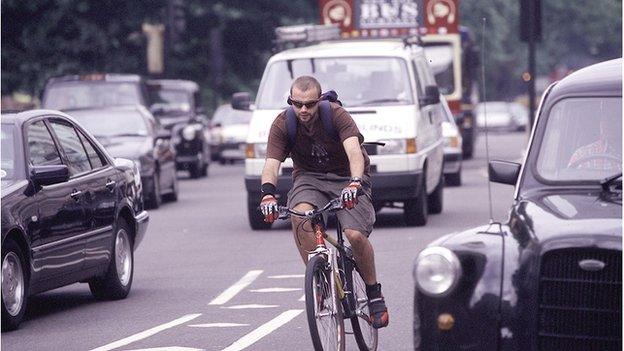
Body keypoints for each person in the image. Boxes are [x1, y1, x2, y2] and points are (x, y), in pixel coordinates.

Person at [259, 76, 389, 329]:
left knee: (354, 235)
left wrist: (354, 182)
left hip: (346, 177)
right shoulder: (283, 124)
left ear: (319, 101)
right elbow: (271, 164)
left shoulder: (337, 115)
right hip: (310, 178)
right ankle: (321, 281)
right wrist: (267, 194)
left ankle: (374, 293)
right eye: (297, 104)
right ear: (290, 102)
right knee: (300, 217)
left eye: (309, 104)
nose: (303, 110)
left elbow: (354, 152)